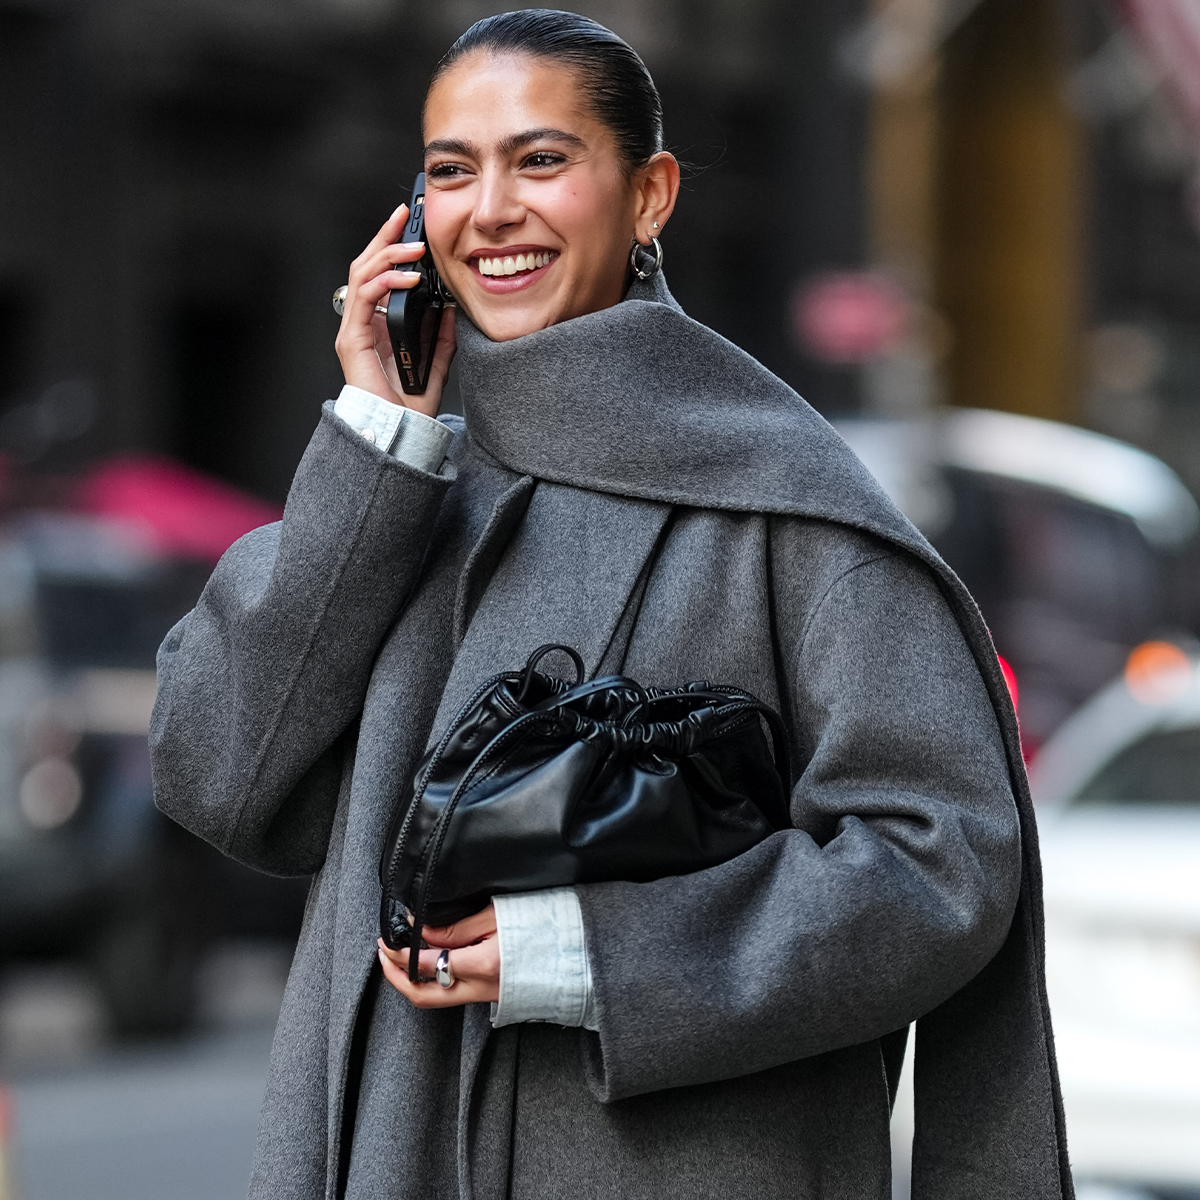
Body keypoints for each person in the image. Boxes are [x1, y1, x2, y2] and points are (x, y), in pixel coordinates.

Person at [150, 10, 1073, 1199]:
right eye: (449, 171)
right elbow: (221, 776)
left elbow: (942, 868)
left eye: (542, 160)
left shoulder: (790, 506)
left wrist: (591, 956)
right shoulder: (404, 482)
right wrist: (375, 435)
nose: (489, 210)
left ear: (649, 196)